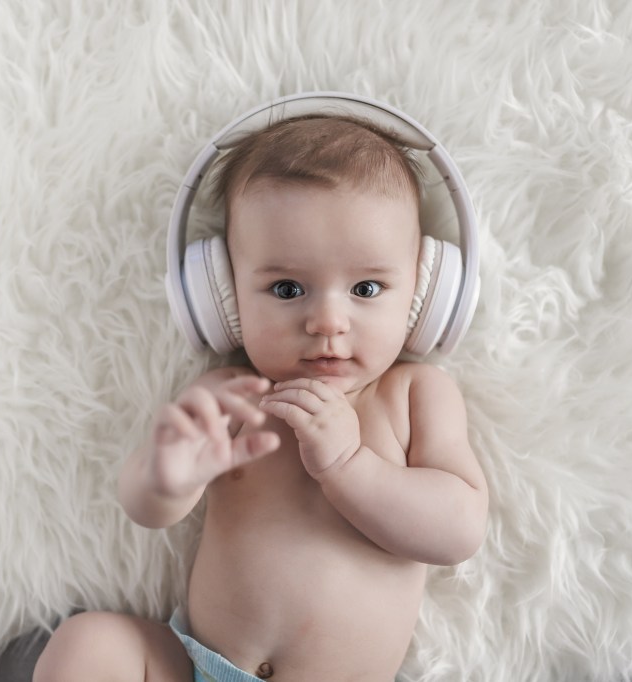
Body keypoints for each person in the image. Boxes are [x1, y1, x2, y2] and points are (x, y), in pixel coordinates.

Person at [34, 114, 489, 681]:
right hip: (196, 665)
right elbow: (144, 509)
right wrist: (166, 477)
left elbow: (459, 530)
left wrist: (350, 466)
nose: (327, 321)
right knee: (91, 643)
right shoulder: (232, 395)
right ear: (223, 297)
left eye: (366, 289)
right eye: (287, 289)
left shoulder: (414, 395)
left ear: (422, 294)